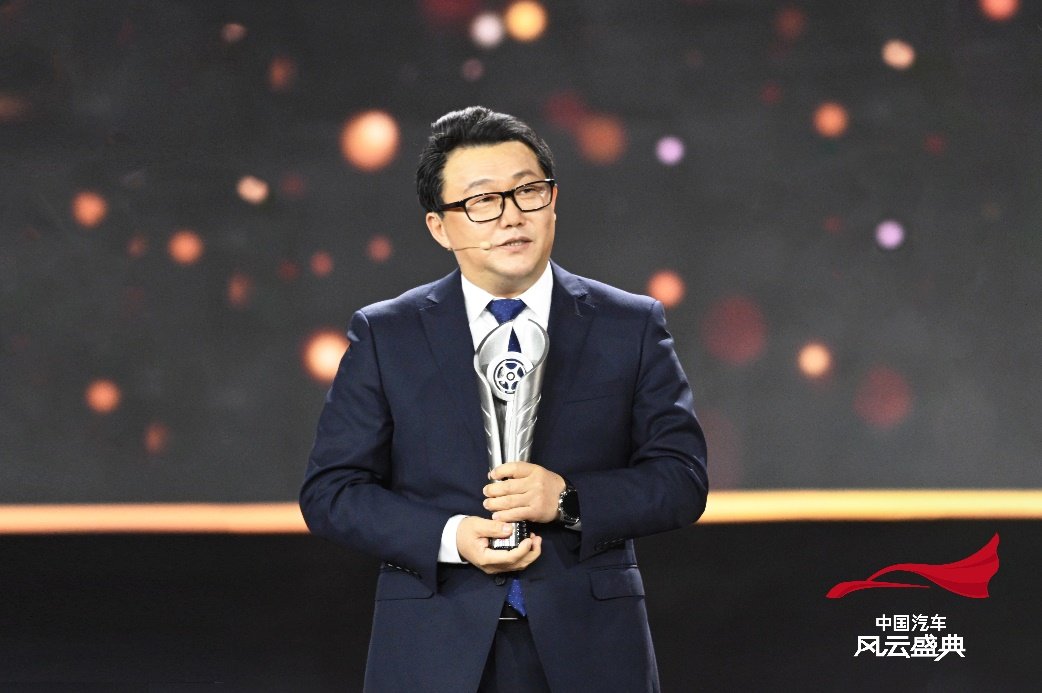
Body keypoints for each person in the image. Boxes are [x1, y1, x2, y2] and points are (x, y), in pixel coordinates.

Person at [300, 106, 708, 692]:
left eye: (527, 192)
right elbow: (332, 492)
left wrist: (567, 500)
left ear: (553, 200)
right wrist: (449, 537)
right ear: (440, 227)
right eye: (482, 201)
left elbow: (681, 479)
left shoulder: (629, 325)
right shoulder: (387, 335)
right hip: (434, 650)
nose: (511, 216)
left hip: (591, 650)